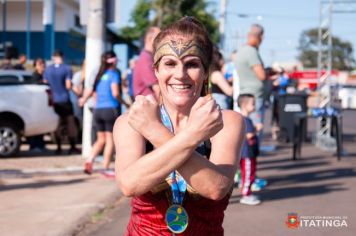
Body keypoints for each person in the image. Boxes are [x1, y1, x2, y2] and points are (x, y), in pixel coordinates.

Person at [113, 17, 244, 235]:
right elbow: (129, 184)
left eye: (191, 64)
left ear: (205, 72)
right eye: (170, 63)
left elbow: (216, 187)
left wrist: (155, 131)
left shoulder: (227, 121)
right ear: (156, 70)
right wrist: (192, 137)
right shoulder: (131, 122)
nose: (180, 74)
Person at [79, 51, 129, 177]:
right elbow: (115, 93)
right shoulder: (113, 74)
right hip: (110, 109)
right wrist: (125, 103)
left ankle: (89, 160)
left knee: (100, 140)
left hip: (98, 110)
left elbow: (91, 91)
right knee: (110, 141)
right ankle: (105, 168)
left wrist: (83, 99)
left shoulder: (100, 75)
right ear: (114, 61)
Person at [44, 50, 79, 154]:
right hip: (64, 99)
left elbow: (45, 83)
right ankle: (72, 146)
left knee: (57, 124)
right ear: (62, 57)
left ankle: (58, 147)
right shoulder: (67, 69)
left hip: (53, 100)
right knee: (70, 123)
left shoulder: (48, 70)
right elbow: (68, 85)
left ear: (53, 57)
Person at [235, 24, 266, 137]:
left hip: (246, 93)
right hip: (254, 96)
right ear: (260, 36)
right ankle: (253, 153)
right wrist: (271, 71)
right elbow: (261, 75)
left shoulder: (241, 50)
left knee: (247, 129)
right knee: (256, 129)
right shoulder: (251, 51)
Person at [237, 94, 261, 205]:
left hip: (248, 152)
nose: (254, 106)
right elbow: (249, 135)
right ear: (244, 105)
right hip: (246, 152)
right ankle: (246, 195)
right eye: (253, 104)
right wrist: (257, 129)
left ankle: (246, 191)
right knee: (248, 174)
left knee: (247, 173)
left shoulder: (244, 119)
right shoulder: (245, 119)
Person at [133, 26, 161, 99]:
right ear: (150, 39)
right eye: (159, 38)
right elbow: (157, 89)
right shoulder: (146, 59)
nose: (162, 41)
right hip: (148, 105)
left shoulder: (148, 57)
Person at [27, 58, 46, 151]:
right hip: (35, 106)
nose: (42, 66)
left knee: (42, 126)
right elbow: (35, 86)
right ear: (35, 66)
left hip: (42, 105)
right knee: (36, 126)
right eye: (40, 64)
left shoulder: (44, 75)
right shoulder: (35, 76)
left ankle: (40, 144)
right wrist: (43, 82)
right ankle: (34, 145)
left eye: (43, 64)